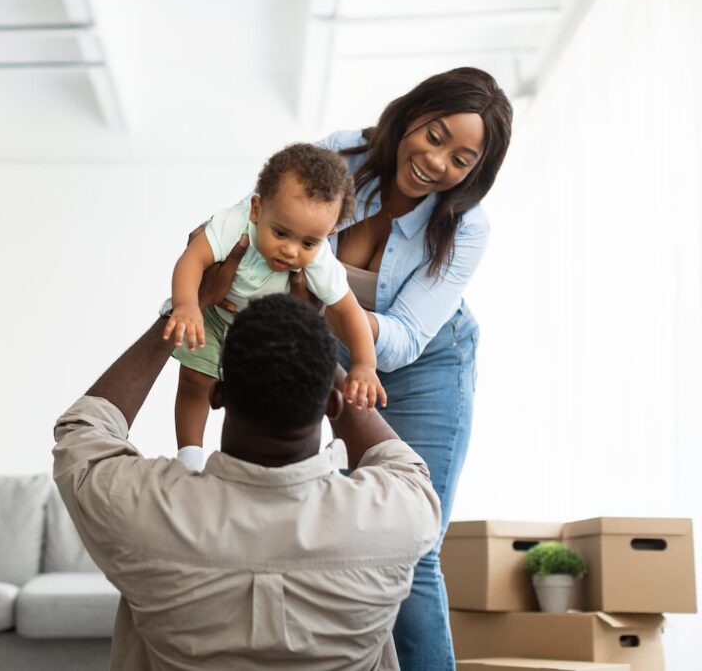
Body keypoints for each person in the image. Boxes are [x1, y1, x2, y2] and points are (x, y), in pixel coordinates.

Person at [200, 67, 513, 669]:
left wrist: (336, 308)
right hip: (329, 340)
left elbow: (405, 337)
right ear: (414, 113)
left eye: (461, 158)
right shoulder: (337, 155)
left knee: (413, 541)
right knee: (333, 533)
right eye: (435, 134)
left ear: (475, 172)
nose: (436, 161)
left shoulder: (466, 226)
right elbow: (249, 229)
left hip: (429, 359)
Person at [53, 293, 441, 670]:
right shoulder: (394, 515)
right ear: (334, 405)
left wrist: (186, 304)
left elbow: (82, 429)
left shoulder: (146, 509)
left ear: (217, 396)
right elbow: (399, 463)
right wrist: (318, 343)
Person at [164, 143, 386, 472]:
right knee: (195, 381)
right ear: (257, 210)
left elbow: (349, 311)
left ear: (329, 234)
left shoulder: (321, 259)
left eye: (309, 242)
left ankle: (302, 463)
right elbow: (193, 260)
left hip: (264, 333)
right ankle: (189, 458)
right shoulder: (233, 225)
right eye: (280, 232)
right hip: (213, 317)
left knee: (277, 391)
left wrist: (365, 364)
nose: (291, 251)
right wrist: (186, 305)